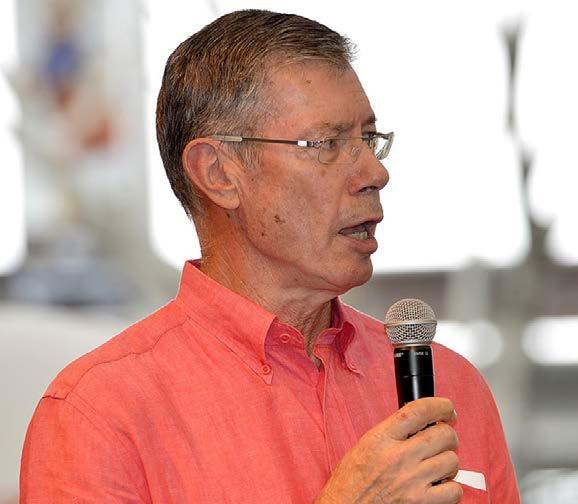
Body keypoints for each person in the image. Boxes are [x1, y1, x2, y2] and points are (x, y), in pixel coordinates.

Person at [20, 10, 520, 503]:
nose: (374, 172)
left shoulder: (451, 385)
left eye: (369, 139)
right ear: (218, 173)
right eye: (326, 143)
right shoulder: (99, 413)